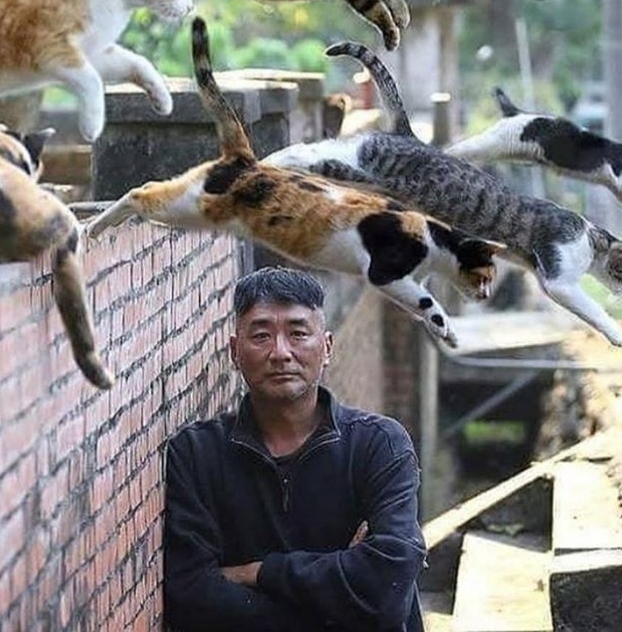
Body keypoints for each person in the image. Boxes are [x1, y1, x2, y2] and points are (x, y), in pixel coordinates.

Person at [163, 266, 427, 632]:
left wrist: (258, 573)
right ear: (235, 351)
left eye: (298, 333)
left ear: (327, 347)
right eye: (261, 335)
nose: (280, 353)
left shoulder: (378, 445)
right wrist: (340, 602)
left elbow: (385, 590)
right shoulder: (196, 454)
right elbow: (191, 600)